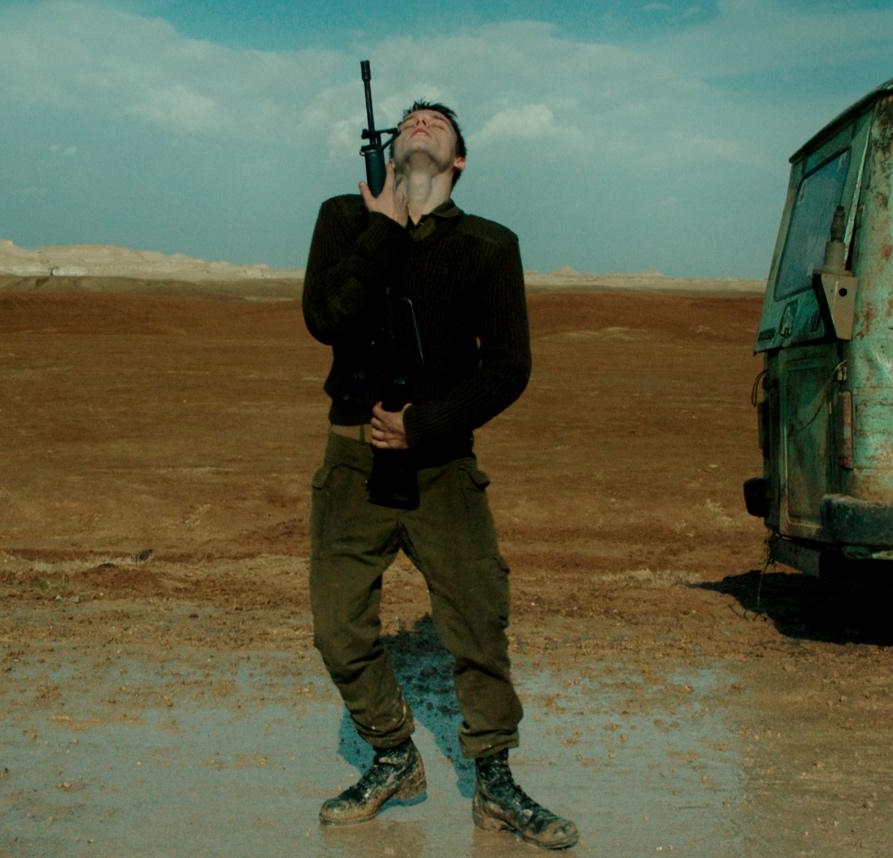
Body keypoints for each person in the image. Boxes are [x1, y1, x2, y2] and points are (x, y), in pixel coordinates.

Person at [301, 100, 579, 849]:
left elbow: (508, 367)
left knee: (478, 623)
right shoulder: (343, 219)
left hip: (442, 467)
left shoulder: (489, 245)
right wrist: (384, 230)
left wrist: (421, 424)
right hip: (352, 463)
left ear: (459, 159)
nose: (421, 122)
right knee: (337, 627)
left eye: (438, 120)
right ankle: (393, 757)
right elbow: (326, 318)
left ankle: (495, 783)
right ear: (389, 150)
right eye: (409, 119)